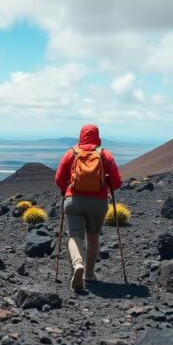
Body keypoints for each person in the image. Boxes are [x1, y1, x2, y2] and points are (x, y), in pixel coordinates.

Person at [54, 124, 122, 291]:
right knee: (92, 237)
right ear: (97, 137)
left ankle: (78, 263)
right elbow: (116, 182)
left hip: (73, 200)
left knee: (74, 235)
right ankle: (89, 275)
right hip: (98, 203)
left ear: (81, 136)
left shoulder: (71, 153)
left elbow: (58, 179)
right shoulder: (105, 154)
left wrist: (66, 188)